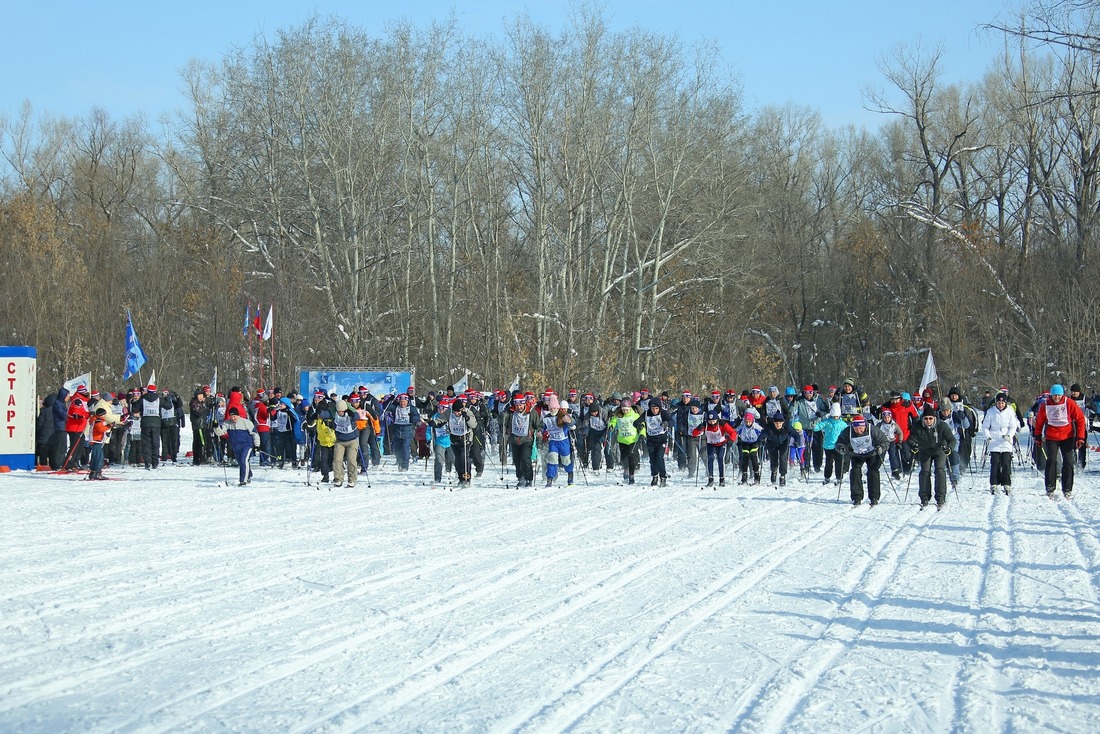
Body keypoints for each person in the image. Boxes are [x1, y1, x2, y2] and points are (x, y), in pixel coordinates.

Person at [1034, 383, 1087, 499]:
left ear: (1062, 395)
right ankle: (1050, 487)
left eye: (1058, 395)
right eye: (1054, 396)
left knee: (1068, 461)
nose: (1056, 398)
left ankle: (1067, 488)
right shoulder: (1045, 405)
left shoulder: (1069, 403)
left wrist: (1080, 437)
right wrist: (1037, 435)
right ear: (1051, 396)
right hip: (1051, 437)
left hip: (1067, 436)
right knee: (1051, 460)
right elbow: (1039, 421)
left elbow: (1080, 419)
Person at [907, 405, 957, 510]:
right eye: (926, 418)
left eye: (930, 418)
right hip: (924, 451)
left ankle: (940, 497)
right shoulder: (917, 426)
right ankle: (924, 497)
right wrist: (913, 446)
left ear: (934, 418)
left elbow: (952, 440)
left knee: (940, 470)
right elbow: (910, 439)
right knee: (925, 471)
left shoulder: (941, 426)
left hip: (939, 451)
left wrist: (949, 448)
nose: (928, 421)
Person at [835, 415, 888, 506]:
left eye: (860, 428)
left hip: (872, 454)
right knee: (855, 471)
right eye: (856, 429)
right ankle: (857, 497)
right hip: (856, 454)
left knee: (873, 471)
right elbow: (839, 442)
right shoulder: (848, 431)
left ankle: (874, 497)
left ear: (864, 425)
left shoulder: (873, 430)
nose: (859, 431)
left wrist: (881, 448)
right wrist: (841, 448)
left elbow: (884, 441)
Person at [981, 392, 1022, 495]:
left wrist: (1009, 435)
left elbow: (1013, 426)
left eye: (1002, 403)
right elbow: (985, 426)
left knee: (1006, 462)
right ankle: (994, 483)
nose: (1000, 405)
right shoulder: (991, 412)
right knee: (995, 462)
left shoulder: (1010, 411)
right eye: (999, 403)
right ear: (996, 403)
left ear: (1005, 403)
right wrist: (988, 436)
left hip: (1006, 439)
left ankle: (1006, 483)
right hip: (994, 438)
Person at [214, 407, 259, 485]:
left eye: (234, 416)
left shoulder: (246, 422)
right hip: (235, 446)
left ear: (238, 415)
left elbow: (255, 434)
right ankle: (248, 475)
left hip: (247, 445)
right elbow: (220, 433)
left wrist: (257, 445)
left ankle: (243, 480)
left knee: (243, 460)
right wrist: (216, 427)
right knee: (242, 462)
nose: (233, 418)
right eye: (231, 417)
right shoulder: (227, 423)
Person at [695, 411, 737, 486]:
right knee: (710, 458)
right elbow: (694, 433)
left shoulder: (722, 423)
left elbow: (733, 432)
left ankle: (722, 479)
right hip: (710, 443)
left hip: (721, 443)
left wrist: (731, 440)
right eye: (710, 421)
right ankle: (710, 478)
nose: (712, 423)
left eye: (714, 421)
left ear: (717, 419)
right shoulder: (705, 425)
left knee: (720, 458)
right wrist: (698, 429)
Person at [505, 392, 536, 487]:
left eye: (521, 405)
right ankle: (520, 477)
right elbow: (505, 424)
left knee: (525, 459)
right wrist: (503, 417)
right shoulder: (510, 412)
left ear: (524, 403)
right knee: (517, 460)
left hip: (526, 439)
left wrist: (538, 432)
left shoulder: (531, 412)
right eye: (517, 405)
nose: (519, 407)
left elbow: (538, 424)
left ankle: (528, 478)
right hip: (514, 439)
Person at [609, 397, 644, 484]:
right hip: (622, 439)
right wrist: (611, 426)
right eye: (623, 409)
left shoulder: (634, 415)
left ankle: (631, 475)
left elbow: (642, 424)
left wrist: (642, 433)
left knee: (631, 457)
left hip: (632, 439)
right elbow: (613, 421)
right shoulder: (619, 415)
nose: (625, 411)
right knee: (624, 457)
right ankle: (625, 469)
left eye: (627, 410)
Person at [330, 399, 360, 487]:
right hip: (340, 441)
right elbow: (324, 414)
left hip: (352, 441)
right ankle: (338, 479)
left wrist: (351, 411)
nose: (341, 413)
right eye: (339, 411)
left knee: (351, 460)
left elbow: (357, 416)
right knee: (337, 460)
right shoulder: (334, 413)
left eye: (343, 411)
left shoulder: (350, 414)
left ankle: (352, 479)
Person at [642, 399, 672, 486]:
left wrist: (666, 423)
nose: (654, 410)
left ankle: (663, 477)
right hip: (651, 440)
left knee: (659, 458)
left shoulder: (663, 413)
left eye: (656, 408)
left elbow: (671, 421)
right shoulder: (647, 413)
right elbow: (637, 421)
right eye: (652, 408)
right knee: (652, 460)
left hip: (661, 440)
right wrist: (640, 424)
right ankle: (655, 476)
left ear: (659, 408)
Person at [763, 412, 796, 486]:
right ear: (773, 423)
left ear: (783, 422)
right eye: (776, 423)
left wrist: (796, 442)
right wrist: (761, 441)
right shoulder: (769, 426)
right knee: (773, 458)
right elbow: (763, 434)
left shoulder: (787, 426)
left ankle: (782, 476)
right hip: (772, 443)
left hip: (783, 443)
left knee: (783, 458)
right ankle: (774, 471)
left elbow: (795, 434)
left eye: (780, 423)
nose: (778, 425)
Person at [733, 410, 763, 485]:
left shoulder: (756, 426)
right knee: (745, 457)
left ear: (752, 421)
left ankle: (756, 476)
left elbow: (763, 431)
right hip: (745, 443)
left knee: (753, 456)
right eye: (746, 422)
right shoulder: (742, 426)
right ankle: (744, 477)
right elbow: (734, 431)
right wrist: (730, 436)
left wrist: (763, 439)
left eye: (749, 422)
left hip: (754, 443)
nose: (748, 423)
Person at [86, 408, 112, 480]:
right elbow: (100, 429)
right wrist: (109, 426)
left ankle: (94, 472)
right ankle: (96, 472)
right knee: (98, 457)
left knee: (97, 457)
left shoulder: (97, 420)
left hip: (97, 440)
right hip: (96, 440)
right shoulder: (98, 420)